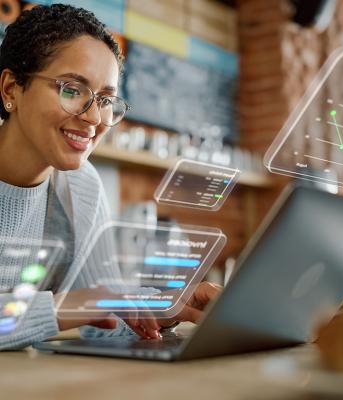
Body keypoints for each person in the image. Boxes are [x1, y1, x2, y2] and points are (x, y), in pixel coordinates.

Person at [0, 4, 221, 350]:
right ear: (12, 88)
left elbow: (100, 313)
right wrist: (69, 306)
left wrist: (166, 306)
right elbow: (82, 305)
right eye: (72, 90)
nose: (94, 118)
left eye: (105, 99)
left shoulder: (82, 187)